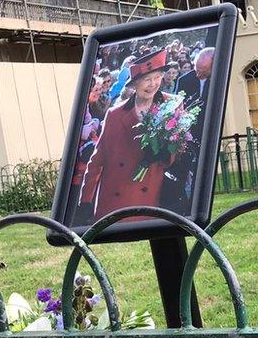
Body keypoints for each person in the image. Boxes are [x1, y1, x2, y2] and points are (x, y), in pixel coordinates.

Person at [76, 49, 182, 224]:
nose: (152, 84)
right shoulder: (114, 114)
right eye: (147, 79)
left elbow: (180, 151)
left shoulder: (173, 105)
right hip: (115, 201)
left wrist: (165, 153)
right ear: (135, 84)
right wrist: (85, 201)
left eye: (157, 77)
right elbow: (97, 159)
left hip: (154, 197)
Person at [165, 47, 216, 214]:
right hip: (188, 134)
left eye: (202, 70)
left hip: (208, 132)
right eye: (196, 68)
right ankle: (184, 203)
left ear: (213, 67)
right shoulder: (185, 80)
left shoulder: (218, 79)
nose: (197, 73)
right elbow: (179, 107)